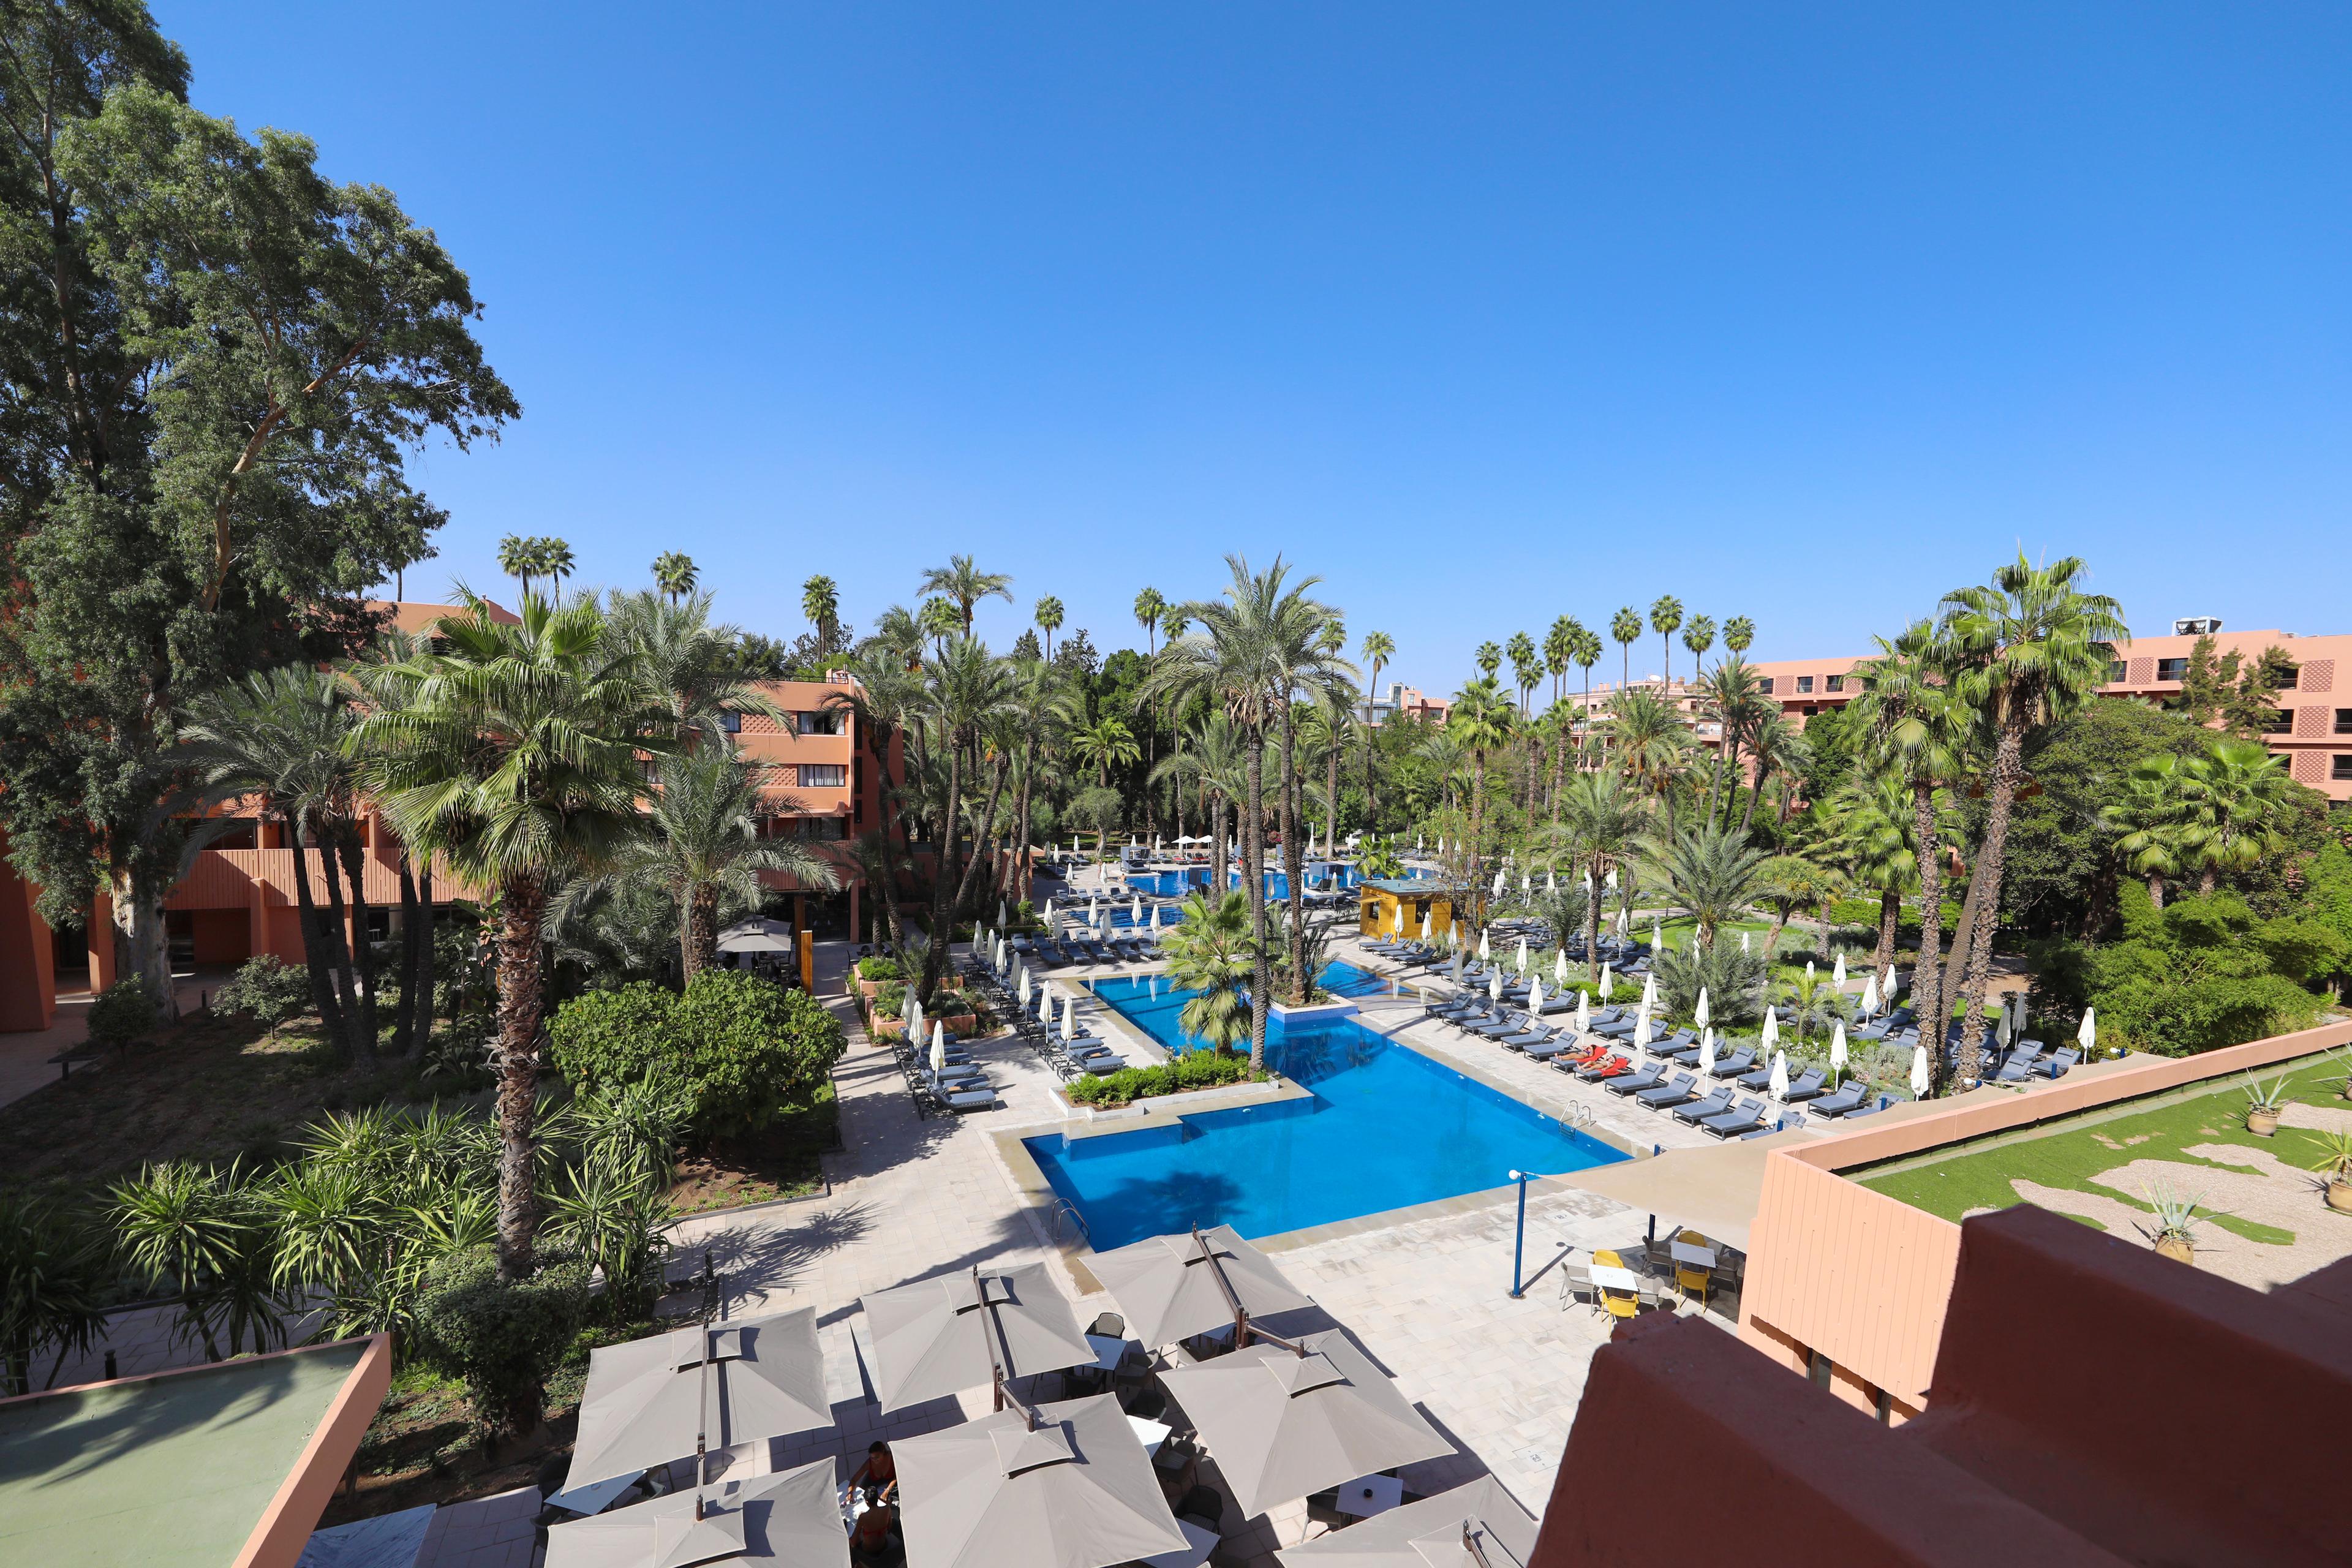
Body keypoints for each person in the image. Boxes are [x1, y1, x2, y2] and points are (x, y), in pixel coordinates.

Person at [848, 1502, 905, 1568]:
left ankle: (857, 1565)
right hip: (884, 1545)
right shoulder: (887, 1509)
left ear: (867, 1502)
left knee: (852, 1545)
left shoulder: (863, 1517)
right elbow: (889, 1528)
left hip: (871, 1553)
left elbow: (853, 1543)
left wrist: (863, 1523)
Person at [845, 1441, 897, 1507]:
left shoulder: (892, 1458)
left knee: (886, 1502)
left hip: (890, 1484)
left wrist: (887, 1491)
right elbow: (854, 1479)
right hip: (874, 1484)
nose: (875, 1460)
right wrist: (850, 1492)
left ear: (883, 1453)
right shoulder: (869, 1463)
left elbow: (897, 1476)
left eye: (877, 1457)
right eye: (872, 1458)